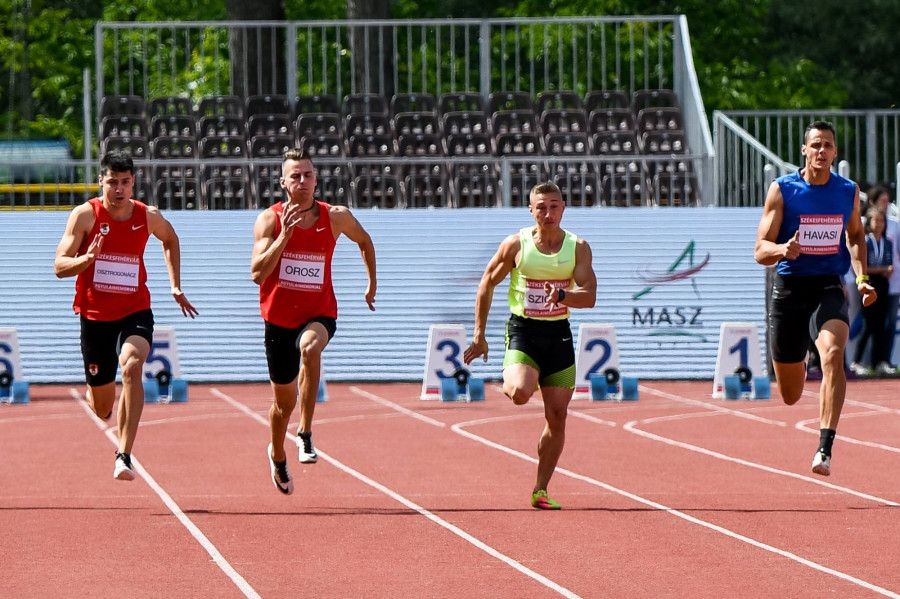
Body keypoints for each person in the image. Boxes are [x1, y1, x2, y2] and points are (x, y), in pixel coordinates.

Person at [54, 150, 198, 481]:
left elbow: (171, 239)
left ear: (133, 183)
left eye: (125, 183)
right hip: (94, 315)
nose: (119, 189)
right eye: (112, 183)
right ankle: (97, 393)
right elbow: (59, 265)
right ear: (101, 181)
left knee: (132, 365)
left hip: (135, 309)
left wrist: (175, 285)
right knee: (102, 406)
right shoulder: (85, 216)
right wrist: (86, 260)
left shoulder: (147, 216)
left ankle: (124, 454)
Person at [463, 182, 597, 509]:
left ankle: (540, 489)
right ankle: (515, 376)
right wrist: (479, 335)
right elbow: (486, 284)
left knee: (558, 417)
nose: (548, 213)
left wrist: (562, 295)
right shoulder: (516, 244)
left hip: (558, 335)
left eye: (553, 206)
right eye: (541, 207)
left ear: (563, 208)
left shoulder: (577, 248)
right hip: (524, 329)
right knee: (521, 394)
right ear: (531, 210)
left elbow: (590, 296)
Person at [251, 148, 376, 495]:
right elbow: (257, 274)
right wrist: (285, 238)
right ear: (283, 183)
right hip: (278, 321)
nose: (302, 181)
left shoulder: (335, 217)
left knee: (310, 347)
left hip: (319, 313)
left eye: (308, 175)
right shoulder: (269, 221)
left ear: (316, 180)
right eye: (295, 176)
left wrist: (371, 283)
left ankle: (305, 434)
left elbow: (365, 241)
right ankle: (277, 452)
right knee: (282, 405)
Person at [754, 120, 876, 477]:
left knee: (835, 354)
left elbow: (855, 235)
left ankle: (825, 447)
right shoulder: (783, 190)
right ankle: (803, 355)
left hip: (827, 285)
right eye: (815, 145)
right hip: (790, 289)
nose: (821, 151)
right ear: (804, 151)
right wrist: (782, 248)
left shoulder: (847, 191)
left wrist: (862, 277)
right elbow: (759, 251)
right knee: (790, 394)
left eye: (828, 146)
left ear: (835, 153)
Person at [850, 207, 894, 375]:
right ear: (869, 223)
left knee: (881, 325)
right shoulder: (866, 242)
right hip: (868, 283)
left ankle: (879, 362)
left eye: (882, 221)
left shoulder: (888, 242)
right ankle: (856, 361)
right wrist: (882, 269)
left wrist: (885, 270)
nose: (879, 224)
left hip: (883, 284)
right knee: (868, 325)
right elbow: (864, 267)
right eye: (876, 220)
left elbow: (889, 265)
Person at [865, 185, 900, 374]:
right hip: (872, 281)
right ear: (872, 203)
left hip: (892, 281)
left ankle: (884, 361)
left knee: (888, 323)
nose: (886, 205)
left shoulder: (894, 224)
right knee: (873, 323)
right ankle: (869, 361)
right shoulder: (866, 228)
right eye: (883, 201)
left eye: (888, 201)